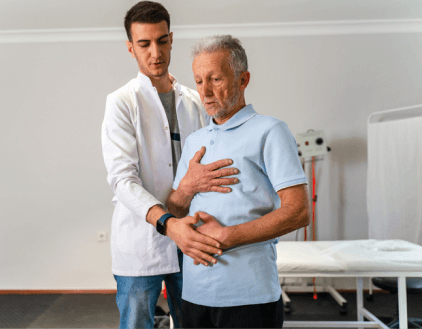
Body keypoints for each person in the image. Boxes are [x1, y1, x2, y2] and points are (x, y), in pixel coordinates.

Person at [101, 3, 239, 328]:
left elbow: (212, 165)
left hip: (192, 234)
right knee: (137, 323)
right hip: (141, 239)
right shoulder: (121, 102)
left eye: (162, 41)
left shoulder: (195, 101)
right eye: (144, 44)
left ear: (172, 39)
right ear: (130, 47)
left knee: (195, 321)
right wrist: (166, 222)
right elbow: (123, 180)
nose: (155, 53)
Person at [166, 35, 311, 329]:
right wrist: (187, 188)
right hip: (195, 293)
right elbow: (175, 209)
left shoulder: (270, 131)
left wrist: (227, 236)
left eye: (215, 79)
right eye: (198, 81)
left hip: (249, 295)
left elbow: (298, 211)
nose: (205, 91)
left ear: (243, 79)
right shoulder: (195, 141)